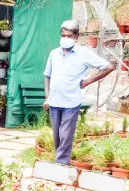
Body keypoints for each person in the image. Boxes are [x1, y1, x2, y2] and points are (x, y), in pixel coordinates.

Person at [43, 20, 115, 164]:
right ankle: (61, 162)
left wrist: (88, 81)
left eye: (69, 36)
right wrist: (47, 97)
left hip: (71, 102)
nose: (66, 38)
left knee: (65, 136)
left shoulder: (83, 54)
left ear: (76, 37)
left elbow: (108, 67)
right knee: (57, 136)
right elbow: (47, 76)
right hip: (55, 101)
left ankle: (60, 165)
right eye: (63, 35)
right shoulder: (54, 54)